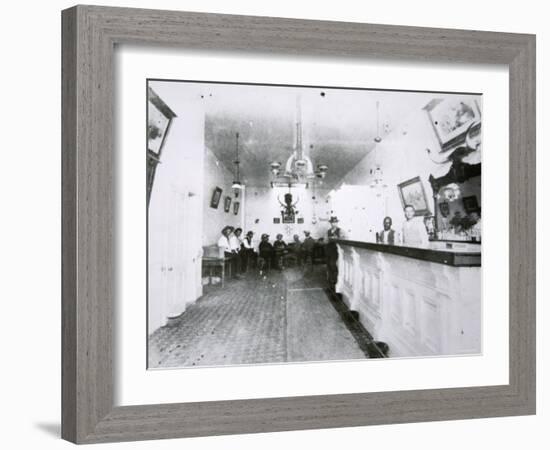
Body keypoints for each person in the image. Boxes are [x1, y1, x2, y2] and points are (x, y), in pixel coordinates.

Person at [326, 216, 344, 288]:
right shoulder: (328, 231)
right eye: (333, 223)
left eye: (335, 222)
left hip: (336, 250)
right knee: (329, 265)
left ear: (337, 223)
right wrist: (327, 240)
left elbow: (345, 239)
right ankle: (330, 280)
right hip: (329, 250)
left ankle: (335, 279)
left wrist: (338, 238)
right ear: (331, 223)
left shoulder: (340, 231)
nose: (334, 224)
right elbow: (325, 240)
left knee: (333, 264)